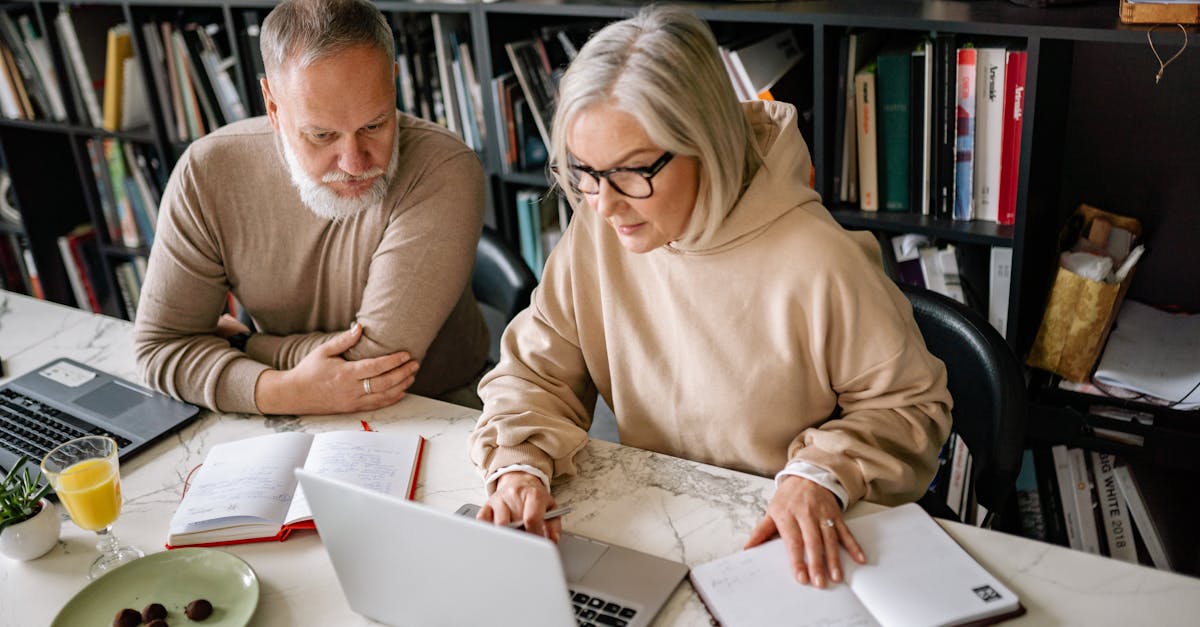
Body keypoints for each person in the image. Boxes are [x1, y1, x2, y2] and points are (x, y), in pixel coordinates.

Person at [468, 6, 952, 589]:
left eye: (632, 172)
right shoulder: (599, 227)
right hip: (664, 532)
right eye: (584, 171)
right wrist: (519, 465)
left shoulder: (819, 259)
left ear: (706, 144)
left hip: (786, 547)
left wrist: (820, 474)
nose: (603, 204)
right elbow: (534, 374)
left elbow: (911, 408)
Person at [134, 0, 489, 415]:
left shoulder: (443, 168)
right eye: (322, 135)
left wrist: (244, 344)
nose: (355, 163)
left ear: (393, 83)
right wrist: (280, 390)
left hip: (436, 409)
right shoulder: (207, 172)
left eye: (374, 125)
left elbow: (375, 366)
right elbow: (160, 347)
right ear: (272, 104)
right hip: (282, 416)